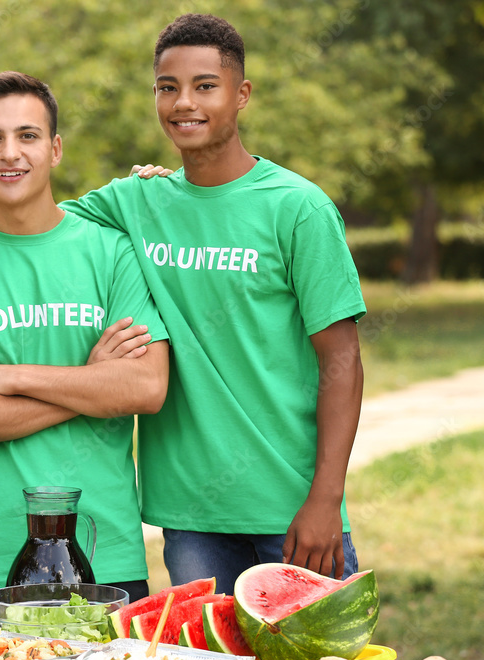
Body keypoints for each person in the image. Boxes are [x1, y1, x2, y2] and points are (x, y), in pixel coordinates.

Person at [53, 13, 367, 594]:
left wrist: (327, 497)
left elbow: (342, 361)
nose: (183, 103)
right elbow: (18, 223)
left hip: (293, 510)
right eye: (167, 88)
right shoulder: (138, 201)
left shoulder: (297, 208)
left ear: (241, 94)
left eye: (205, 86)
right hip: (191, 516)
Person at [0, 71, 170, 629]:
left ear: (54, 149)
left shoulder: (114, 253)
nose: (10, 153)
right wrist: (90, 384)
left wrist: (6, 376)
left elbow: (144, 386)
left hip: (105, 554)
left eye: (27, 136)